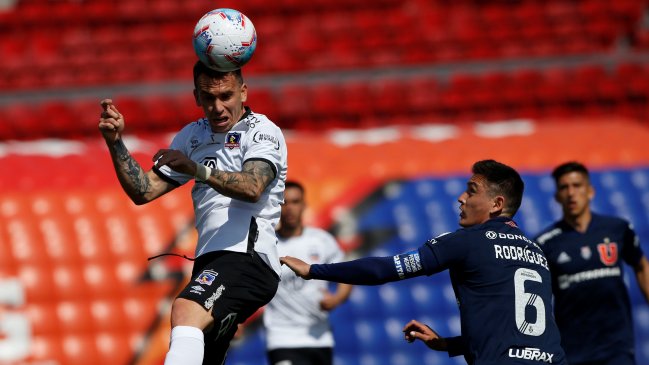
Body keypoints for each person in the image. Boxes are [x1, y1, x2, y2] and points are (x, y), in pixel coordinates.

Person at [282, 160, 567, 365]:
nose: (461, 197)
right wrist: (447, 345)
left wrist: (313, 270)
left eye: (471, 190)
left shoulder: (469, 240)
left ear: (496, 204)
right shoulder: (536, 252)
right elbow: (515, 332)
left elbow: (386, 269)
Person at [98, 60, 288, 365]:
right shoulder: (192, 137)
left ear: (243, 92)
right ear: (197, 97)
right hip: (210, 260)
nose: (217, 107)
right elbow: (143, 190)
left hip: (248, 257)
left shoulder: (263, 131)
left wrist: (196, 169)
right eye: (208, 98)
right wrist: (116, 143)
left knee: (185, 309)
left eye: (225, 96)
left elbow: (253, 187)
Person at [534, 161, 649, 365]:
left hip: (617, 347)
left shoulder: (617, 229)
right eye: (564, 187)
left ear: (590, 191)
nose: (571, 193)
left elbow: (641, 266)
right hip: (572, 351)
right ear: (557, 197)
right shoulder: (545, 243)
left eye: (577, 185)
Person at [263, 180, 352, 365]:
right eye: (284, 202)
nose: (290, 208)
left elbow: (346, 275)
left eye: (295, 202)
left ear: (304, 205)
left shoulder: (322, 240)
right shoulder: (266, 244)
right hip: (282, 338)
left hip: (319, 337)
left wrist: (337, 299)